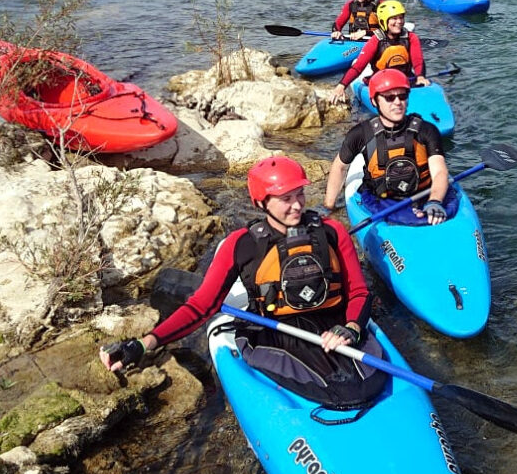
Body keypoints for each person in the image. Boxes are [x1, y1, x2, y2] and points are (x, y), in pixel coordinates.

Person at [100, 156, 387, 408]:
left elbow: (358, 292)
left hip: (332, 326)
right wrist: (144, 343)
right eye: (286, 198)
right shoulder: (241, 246)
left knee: (362, 385)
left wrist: (350, 328)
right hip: (276, 334)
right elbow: (202, 306)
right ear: (262, 201)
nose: (297, 205)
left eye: (300, 194)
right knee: (339, 389)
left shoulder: (332, 231)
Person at [323, 68, 452, 227]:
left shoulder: (426, 130)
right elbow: (340, 167)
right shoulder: (361, 134)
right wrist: (329, 208)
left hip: (426, 196)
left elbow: (439, 171)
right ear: (374, 101)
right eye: (389, 97)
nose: (397, 102)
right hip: (383, 201)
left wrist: (435, 200)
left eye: (402, 96)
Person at [329, 0, 429, 104]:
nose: (399, 21)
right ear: (383, 21)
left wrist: (420, 77)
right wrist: (341, 86)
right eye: (394, 18)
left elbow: (418, 60)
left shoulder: (411, 37)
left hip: (406, 80)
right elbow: (358, 67)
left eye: (401, 17)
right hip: (383, 83)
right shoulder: (375, 41)